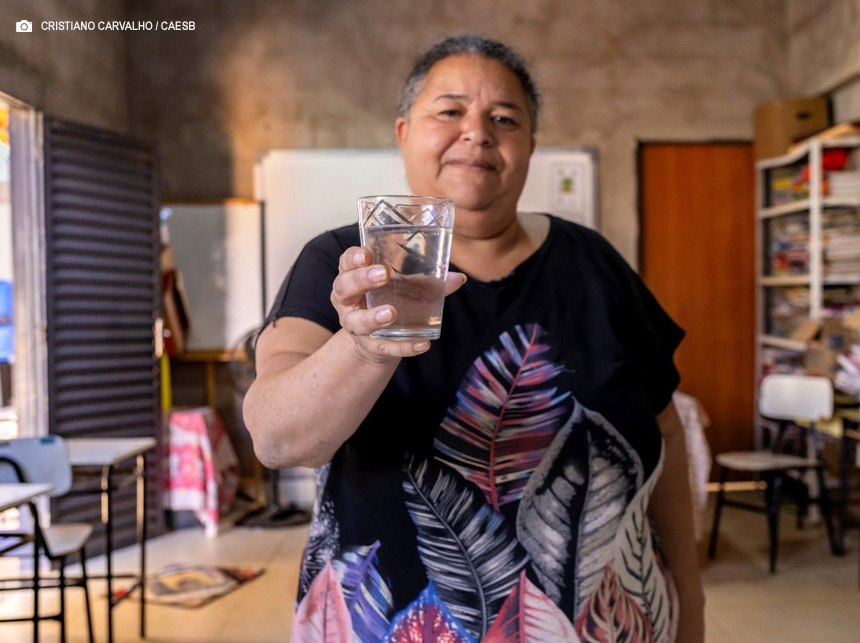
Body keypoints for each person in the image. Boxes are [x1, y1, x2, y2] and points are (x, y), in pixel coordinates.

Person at [244, 34, 705, 643]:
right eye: (450, 110)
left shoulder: (593, 263)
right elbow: (276, 438)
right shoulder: (339, 261)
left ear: (530, 145)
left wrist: (689, 592)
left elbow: (665, 429)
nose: (478, 133)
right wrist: (361, 348)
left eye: (505, 118)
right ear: (405, 132)